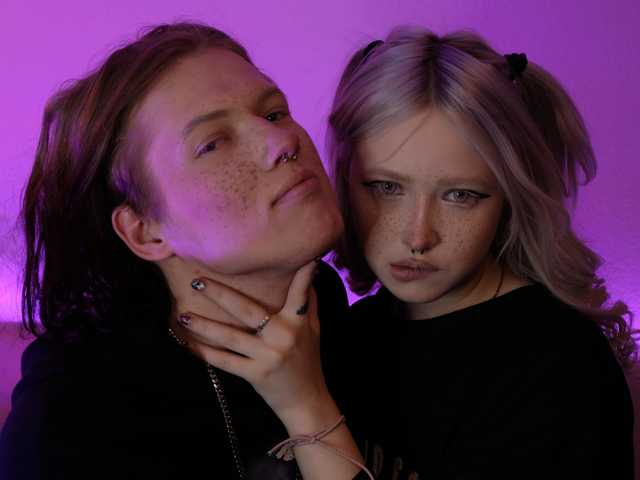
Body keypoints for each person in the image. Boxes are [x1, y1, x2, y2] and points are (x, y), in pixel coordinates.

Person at [0, 22, 368, 480]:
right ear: (145, 232)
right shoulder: (71, 413)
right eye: (212, 144)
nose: (283, 141)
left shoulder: (328, 306)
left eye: (274, 113)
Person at [324, 27, 636, 479]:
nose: (418, 236)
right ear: (343, 177)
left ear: (510, 198)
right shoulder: (349, 334)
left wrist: (307, 411)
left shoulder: (560, 366)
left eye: (461, 195)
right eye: (385, 187)